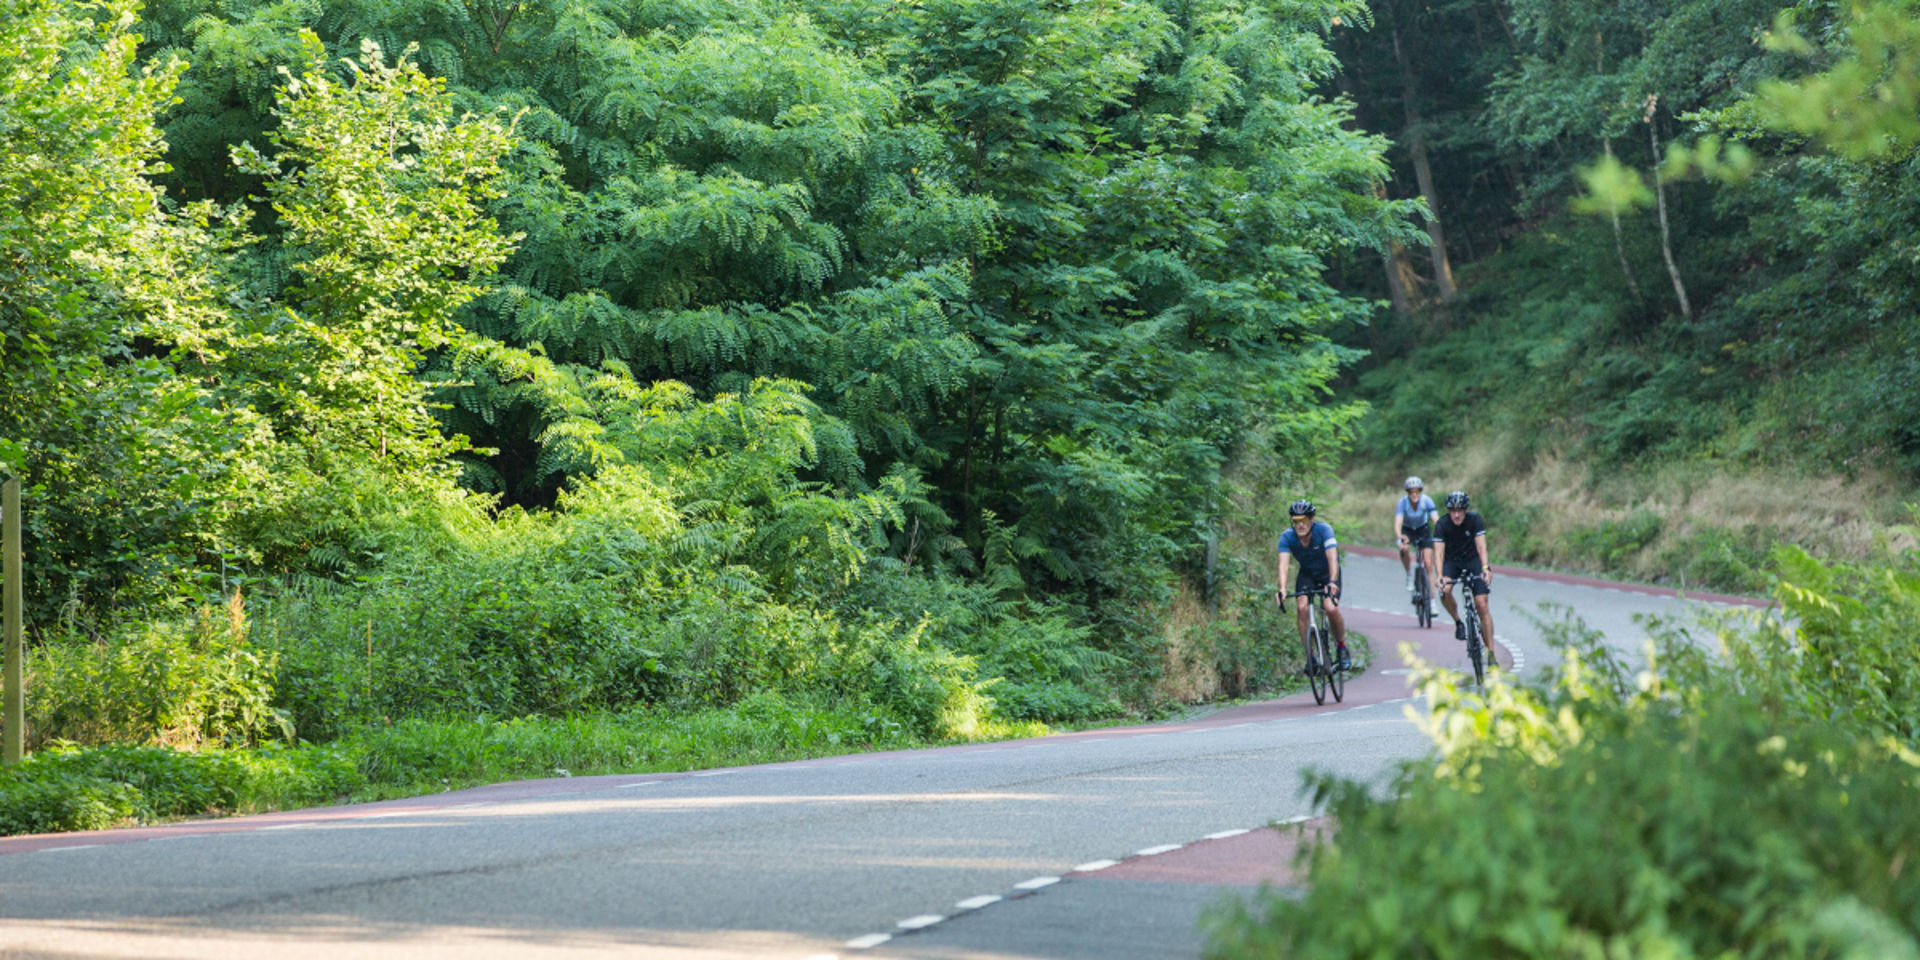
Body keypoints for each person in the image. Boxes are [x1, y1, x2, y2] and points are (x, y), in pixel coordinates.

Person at [1275, 499, 1349, 671]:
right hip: (1307, 574)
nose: (1300, 525)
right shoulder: (1286, 537)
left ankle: (1342, 648)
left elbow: (1332, 558)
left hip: (1328, 572)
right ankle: (1310, 657)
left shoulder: (1324, 530)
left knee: (1330, 608)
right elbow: (1283, 565)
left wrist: (1332, 581)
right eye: (1296, 521)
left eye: (1304, 520)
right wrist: (1282, 589)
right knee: (1301, 608)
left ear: (1311, 519)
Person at [1435, 491, 1494, 645]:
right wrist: (1439, 576)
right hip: (1452, 562)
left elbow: (1482, 547)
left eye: (1459, 510)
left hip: (1473, 560)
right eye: (1452, 511)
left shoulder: (1475, 520)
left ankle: (1490, 652)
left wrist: (1485, 568)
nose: (1456, 515)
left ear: (1466, 510)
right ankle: (1458, 621)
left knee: (1481, 604)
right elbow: (1439, 554)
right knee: (1445, 591)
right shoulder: (1442, 524)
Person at [1391, 476, 1439, 613]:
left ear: (1420, 491)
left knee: (1428, 564)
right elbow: (1398, 523)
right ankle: (1409, 575)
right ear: (1407, 493)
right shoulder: (1402, 503)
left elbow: (1436, 519)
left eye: (1417, 491)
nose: (1414, 494)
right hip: (1408, 530)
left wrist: (1441, 532)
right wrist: (1399, 537)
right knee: (1404, 548)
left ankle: (1432, 601)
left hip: (1423, 530)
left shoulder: (1427, 500)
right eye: (1411, 491)